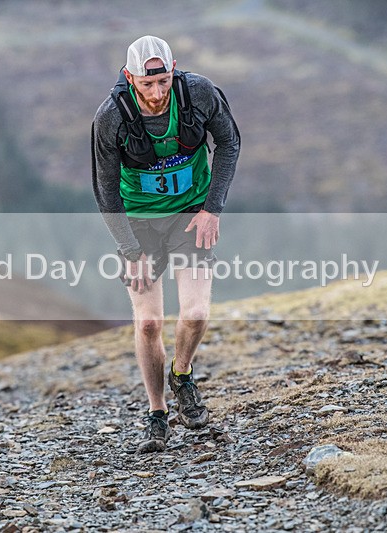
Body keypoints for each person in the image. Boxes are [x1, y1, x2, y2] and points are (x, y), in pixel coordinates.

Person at [91, 35, 240, 453]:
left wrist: (213, 208)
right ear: (129, 78)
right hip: (138, 223)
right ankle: (157, 414)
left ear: (173, 70)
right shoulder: (111, 118)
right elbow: (105, 189)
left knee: (194, 314)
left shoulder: (199, 94)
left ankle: (183, 374)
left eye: (163, 82)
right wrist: (127, 249)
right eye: (146, 85)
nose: (156, 94)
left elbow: (229, 143)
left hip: (190, 214)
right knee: (149, 323)